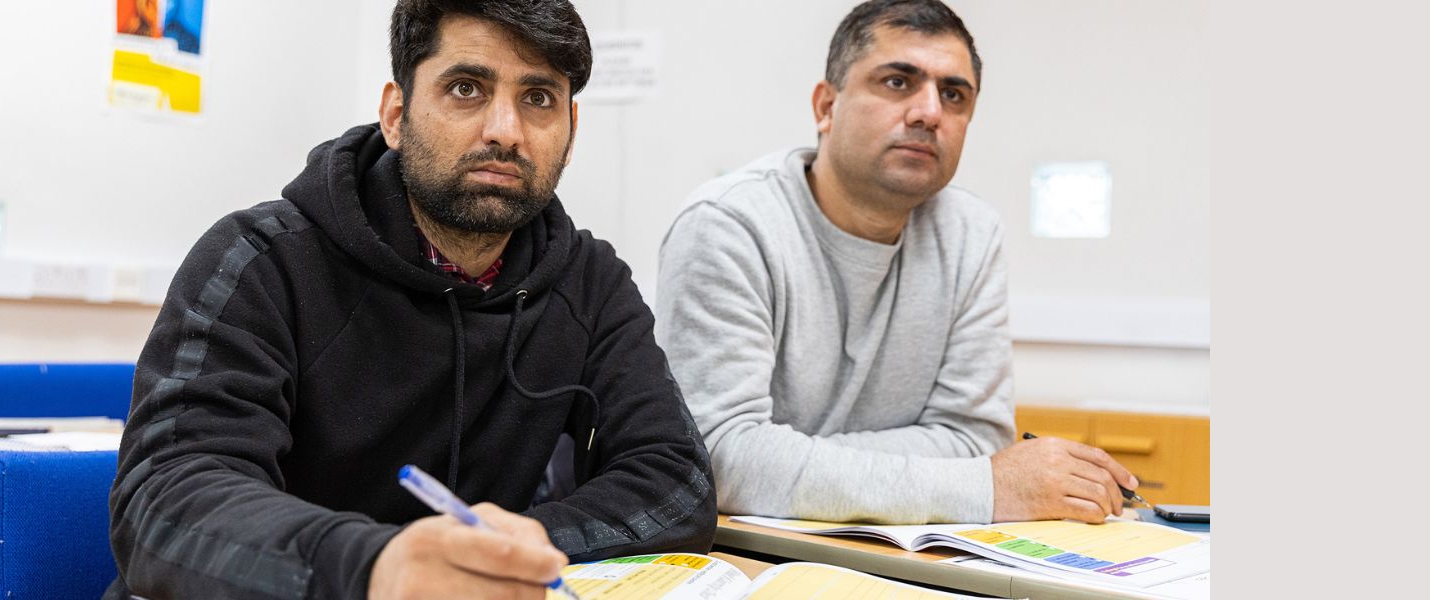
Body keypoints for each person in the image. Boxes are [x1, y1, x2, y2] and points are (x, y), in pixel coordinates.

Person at [106, 1, 716, 598]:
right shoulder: (260, 261)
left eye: (538, 98)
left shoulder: (590, 281)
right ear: (396, 115)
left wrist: (509, 549)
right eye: (467, 89)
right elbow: (165, 499)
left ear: (570, 130)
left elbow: (675, 479)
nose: (506, 131)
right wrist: (378, 567)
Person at [655, 0, 1136, 527]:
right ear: (826, 107)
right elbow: (718, 456)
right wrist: (986, 486)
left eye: (953, 95)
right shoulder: (729, 224)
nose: (929, 112)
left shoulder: (972, 234)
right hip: (752, 555)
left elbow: (974, 437)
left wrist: (791, 459)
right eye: (898, 82)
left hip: (909, 551)